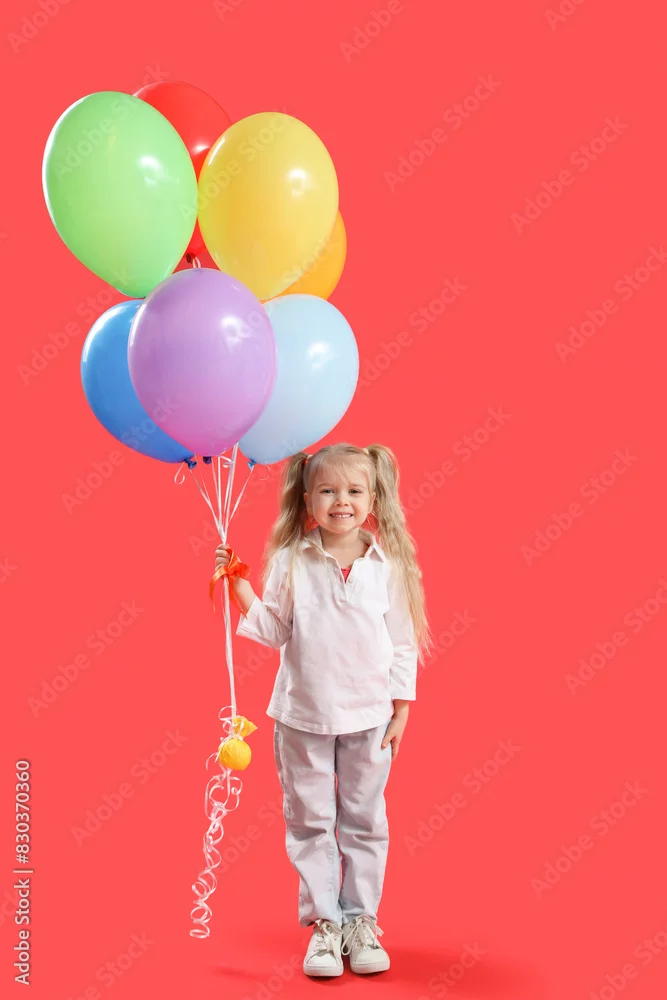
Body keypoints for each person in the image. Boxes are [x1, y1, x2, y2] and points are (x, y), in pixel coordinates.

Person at [214, 443, 432, 978]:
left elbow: (402, 643)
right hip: (303, 716)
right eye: (328, 490)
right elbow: (276, 629)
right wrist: (240, 590)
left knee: (365, 820)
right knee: (310, 821)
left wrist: (401, 708)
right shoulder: (292, 559)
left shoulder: (387, 567)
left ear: (374, 498)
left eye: (355, 491)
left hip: (370, 717)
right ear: (307, 498)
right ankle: (325, 926)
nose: (341, 501)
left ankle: (361, 920)